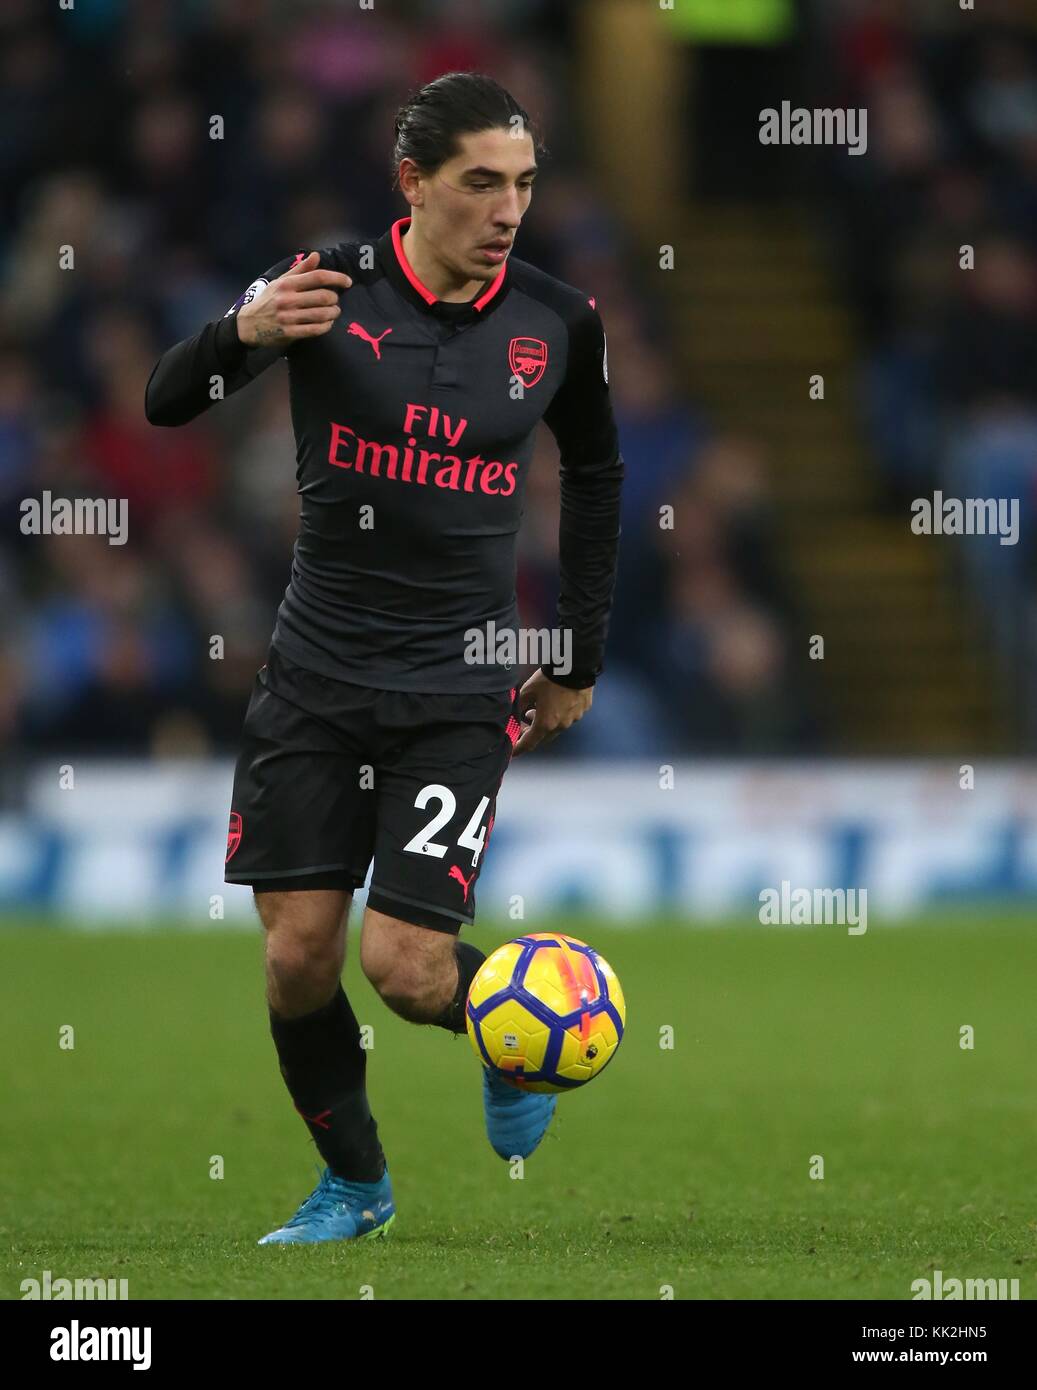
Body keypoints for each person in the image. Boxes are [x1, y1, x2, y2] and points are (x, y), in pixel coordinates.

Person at [145, 72, 624, 1245]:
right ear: (411, 183)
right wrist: (240, 333)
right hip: (312, 677)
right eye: (480, 182)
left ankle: (512, 1040)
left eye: (522, 182)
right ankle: (355, 1185)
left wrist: (576, 650)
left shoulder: (557, 322)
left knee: (405, 968)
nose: (507, 207)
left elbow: (600, 477)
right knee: (300, 959)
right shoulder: (324, 286)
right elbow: (168, 401)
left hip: (461, 682)